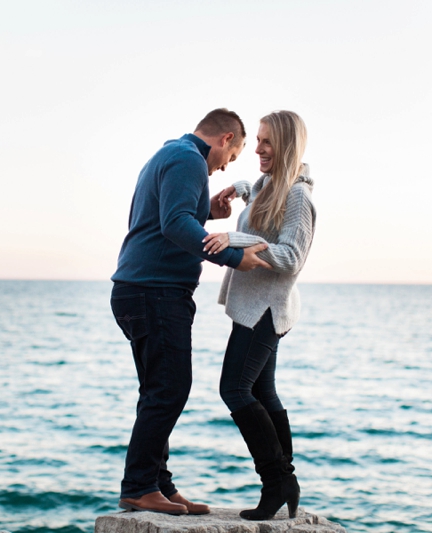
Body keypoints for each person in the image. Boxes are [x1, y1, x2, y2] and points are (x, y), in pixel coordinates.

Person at [110, 108, 272, 516]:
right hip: (155, 291)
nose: (223, 168)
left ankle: (158, 484)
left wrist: (209, 211)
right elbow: (174, 223)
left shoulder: (170, 153)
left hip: (138, 289)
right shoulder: (188, 160)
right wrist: (234, 257)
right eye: (231, 158)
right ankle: (139, 486)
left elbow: (171, 217)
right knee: (170, 388)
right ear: (226, 139)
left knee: (158, 390)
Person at [202, 110, 316, 520]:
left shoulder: (300, 197)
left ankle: (277, 481)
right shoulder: (268, 184)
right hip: (252, 308)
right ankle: (287, 481)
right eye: (258, 140)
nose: (258, 148)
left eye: (267, 141)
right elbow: (262, 195)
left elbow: (290, 256)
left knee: (234, 390)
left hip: (266, 310)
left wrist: (235, 238)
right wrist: (239, 187)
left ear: (285, 145)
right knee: (263, 393)